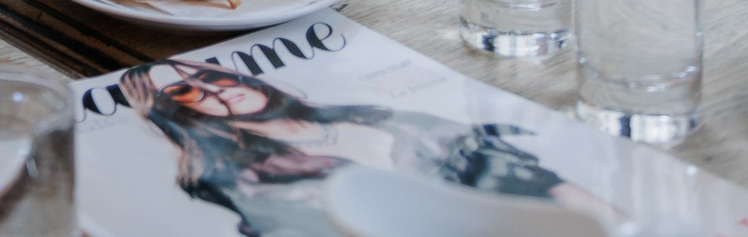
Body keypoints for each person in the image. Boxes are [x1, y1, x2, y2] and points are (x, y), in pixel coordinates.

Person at [117, 61, 618, 235]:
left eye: (207, 75)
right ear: (178, 113)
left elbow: (538, 180)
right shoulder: (251, 181)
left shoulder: (372, 114)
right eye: (186, 92)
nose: (214, 89)